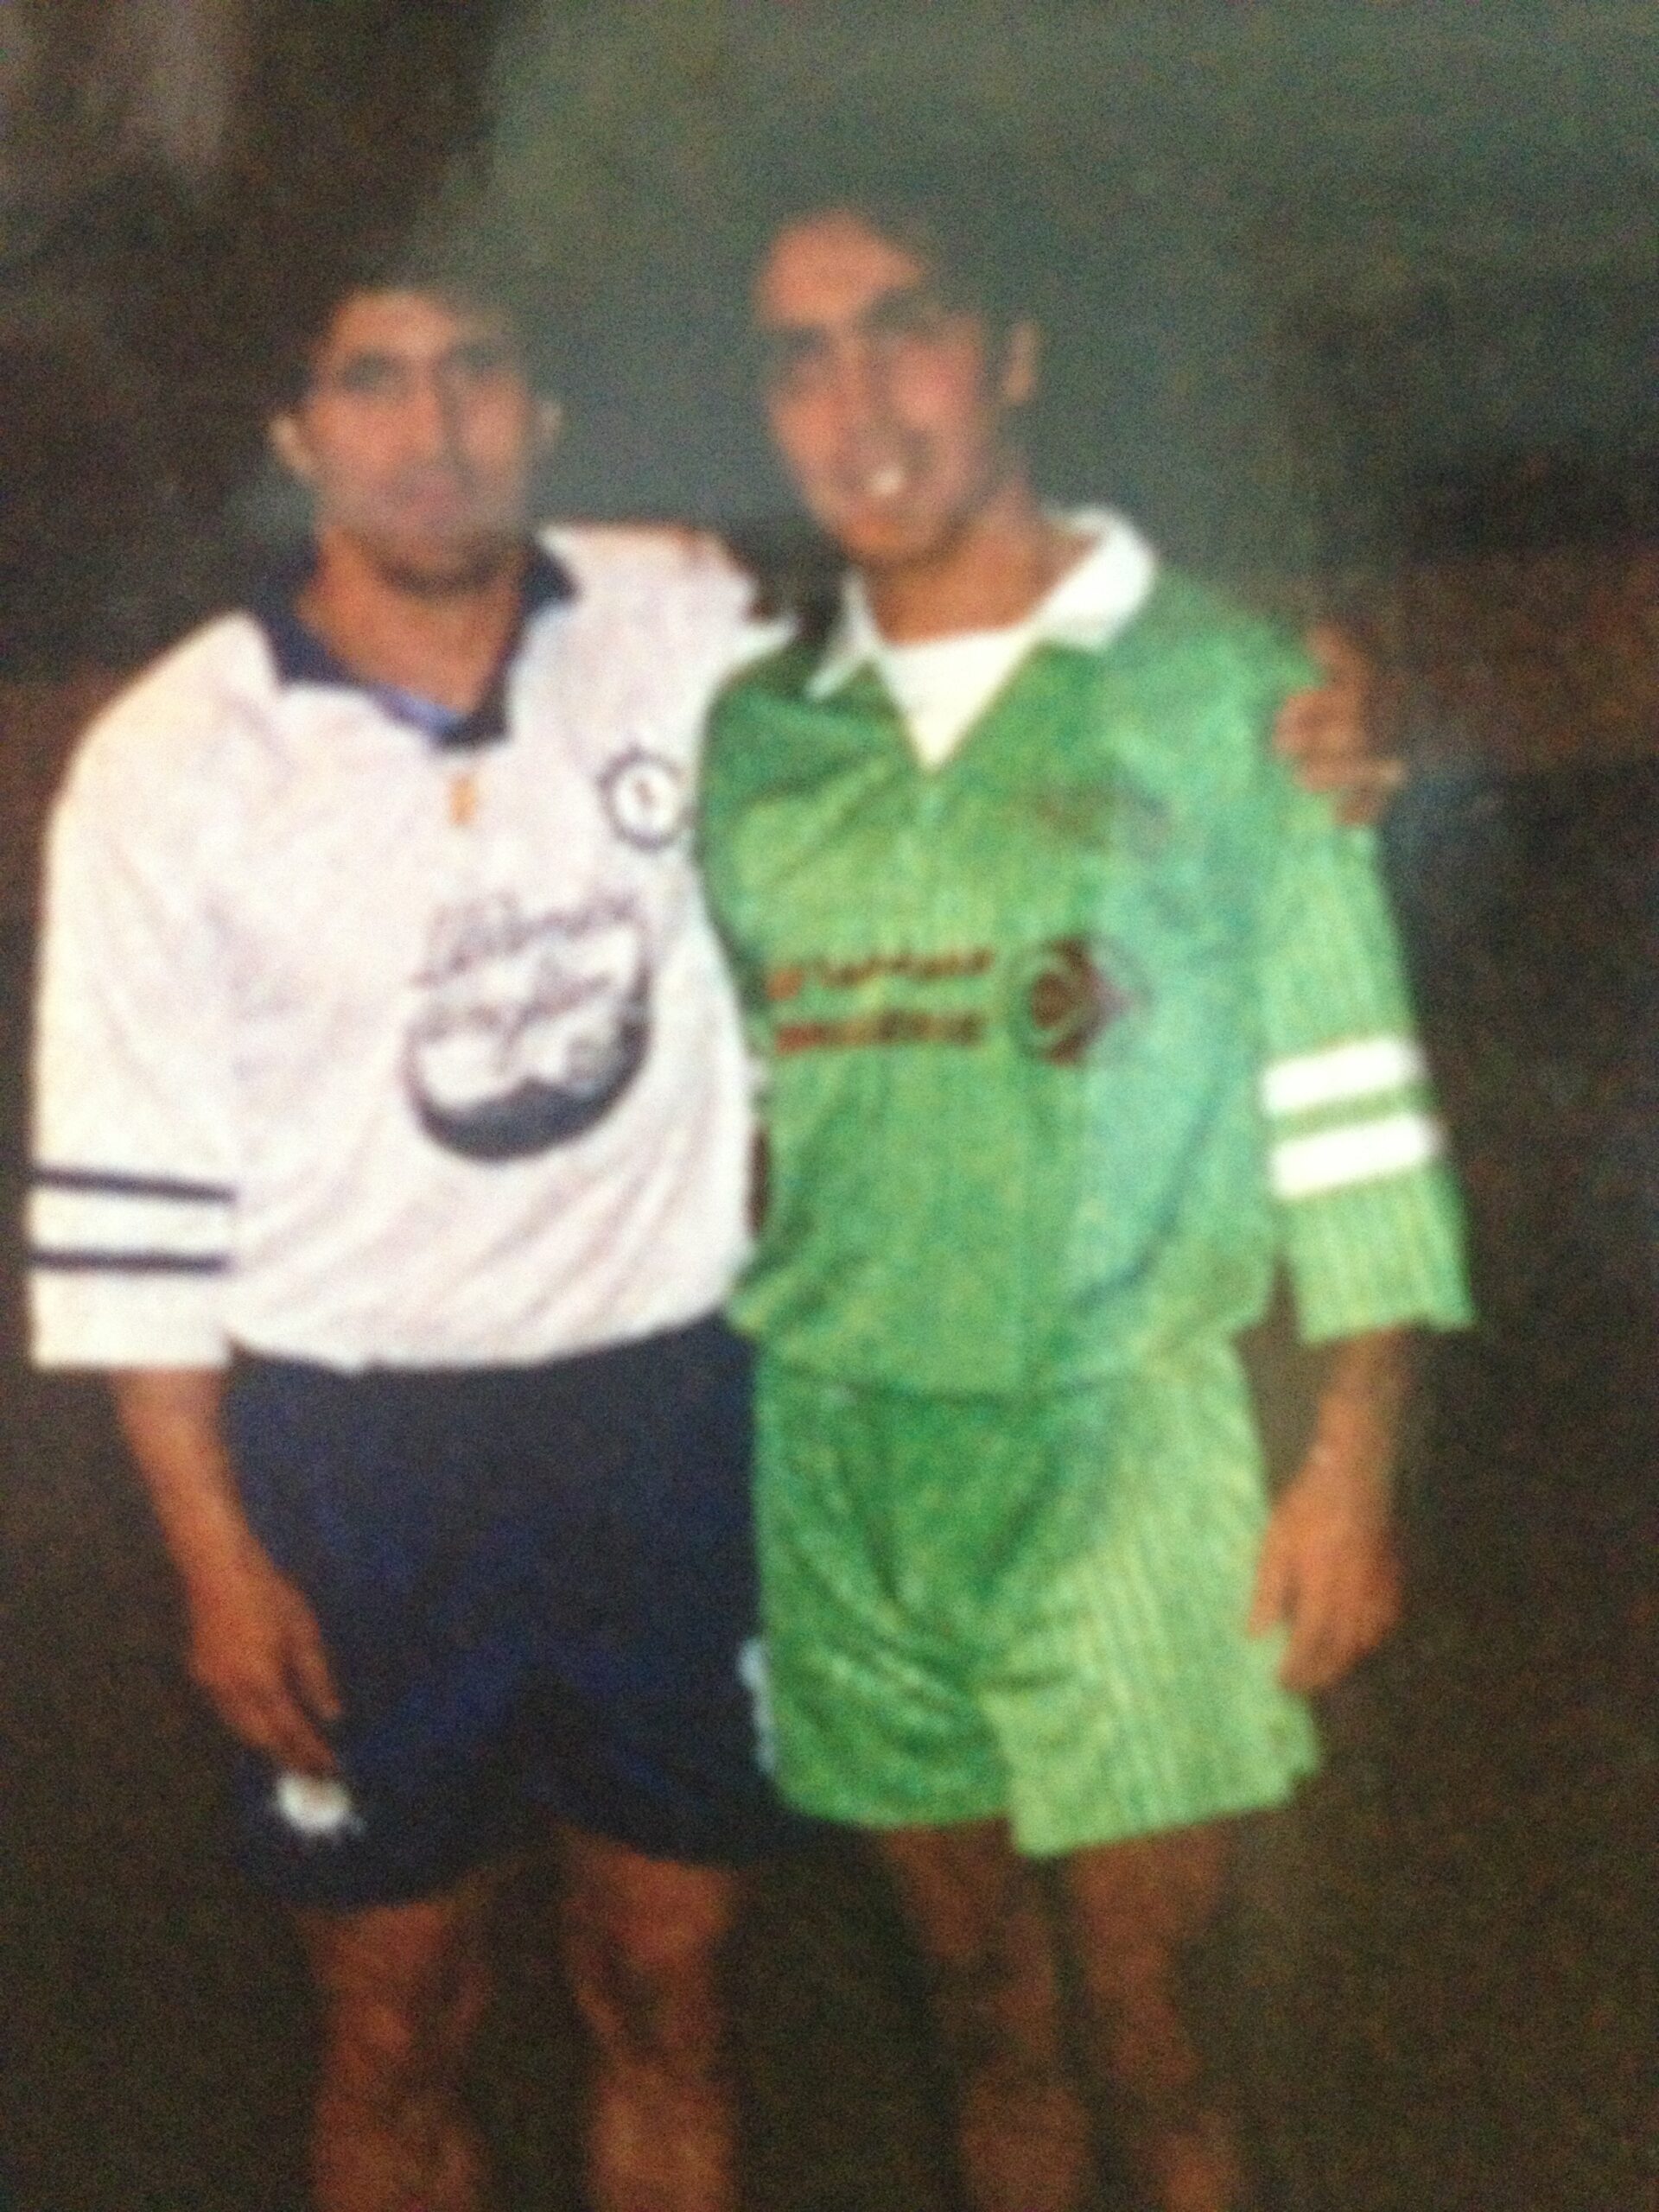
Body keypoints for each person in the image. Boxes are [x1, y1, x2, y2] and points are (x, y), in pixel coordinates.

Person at [28, 250, 1381, 2212]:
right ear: (295, 433)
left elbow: (978, 557)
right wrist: (214, 1552)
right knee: (396, 2018)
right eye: (375, 383)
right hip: (354, 1463)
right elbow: (129, 1195)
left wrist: (1293, 674)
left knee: (668, 1989)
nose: (432, 430)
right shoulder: (174, 761)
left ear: (544, 414)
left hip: (668, 1424)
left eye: (477, 372)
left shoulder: (684, 619)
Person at [698, 191, 1472, 2212]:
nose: (860, 399)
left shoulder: (1225, 685)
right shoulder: (758, 734)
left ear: (1014, 351)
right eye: (800, 358)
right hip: (847, 1461)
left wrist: (1353, 1458)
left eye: (905, 328)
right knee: (983, 2019)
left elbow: (1349, 1097)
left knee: (1160, 2038)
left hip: (1128, 1452)